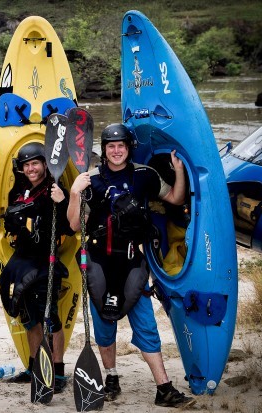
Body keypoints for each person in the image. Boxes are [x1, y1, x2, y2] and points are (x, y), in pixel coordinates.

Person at [66, 123, 195, 408]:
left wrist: (180, 170)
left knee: (147, 326)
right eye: (111, 146)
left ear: (129, 147)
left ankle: (164, 389)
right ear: (103, 149)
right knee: (104, 326)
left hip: (132, 261)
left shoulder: (145, 175)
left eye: (121, 145)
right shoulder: (91, 179)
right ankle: (111, 377)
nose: (116, 151)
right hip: (99, 263)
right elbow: (75, 224)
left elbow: (175, 197)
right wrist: (75, 193)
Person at [0, 142, 74, 393]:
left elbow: (69, 227)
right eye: (26, 165)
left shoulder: (54, 190)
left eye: (35, 164)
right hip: (22, 262)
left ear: (44, 164)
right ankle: (35, 368)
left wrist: (62, 202)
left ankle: (59, 373)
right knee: (30, 319)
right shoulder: (18, 193)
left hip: (46, 263)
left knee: (51, 320)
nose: (30, 169)